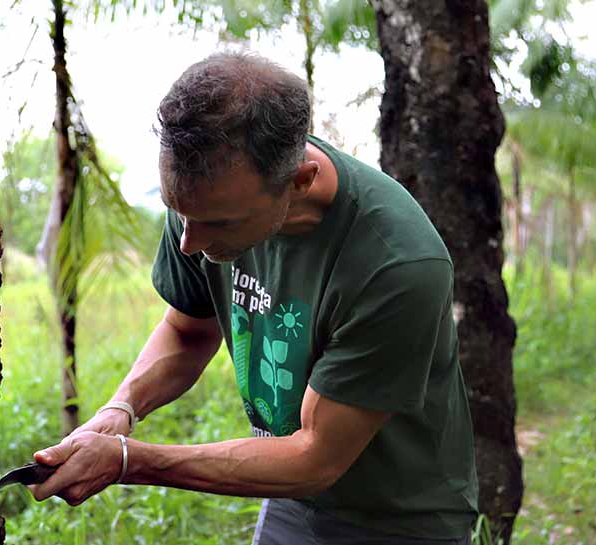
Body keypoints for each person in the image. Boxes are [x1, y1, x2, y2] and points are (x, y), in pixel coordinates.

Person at [30, 51, 478, 545]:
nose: (189, 243)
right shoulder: (202, 200)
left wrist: (128, 460)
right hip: (290, 498)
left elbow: (314, 457)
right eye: (177, 213)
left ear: (299, 182)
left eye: (217, 223)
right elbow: (187, 329)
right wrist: (122, 409)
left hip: (400, 518)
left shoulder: (396, 263)